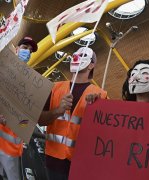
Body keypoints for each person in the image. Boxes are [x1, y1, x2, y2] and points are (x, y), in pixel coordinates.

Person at [38, 47, 108, 180]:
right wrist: (58, 111)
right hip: (54, 161)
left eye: (81, 55)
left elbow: (103, 135)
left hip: (82, 164)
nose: (75, 57)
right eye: (74, 55)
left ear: (91, 65)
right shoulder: (54, 88)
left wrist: (96, 109)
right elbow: (41, 120)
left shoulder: (100, 95)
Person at [0, 36, 38, 180]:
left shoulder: (33, 83)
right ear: (16, 49)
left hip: (12, 149)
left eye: (30, 50)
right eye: (24, 47)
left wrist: (20, 123)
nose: (27, 52)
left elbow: (29, 118)